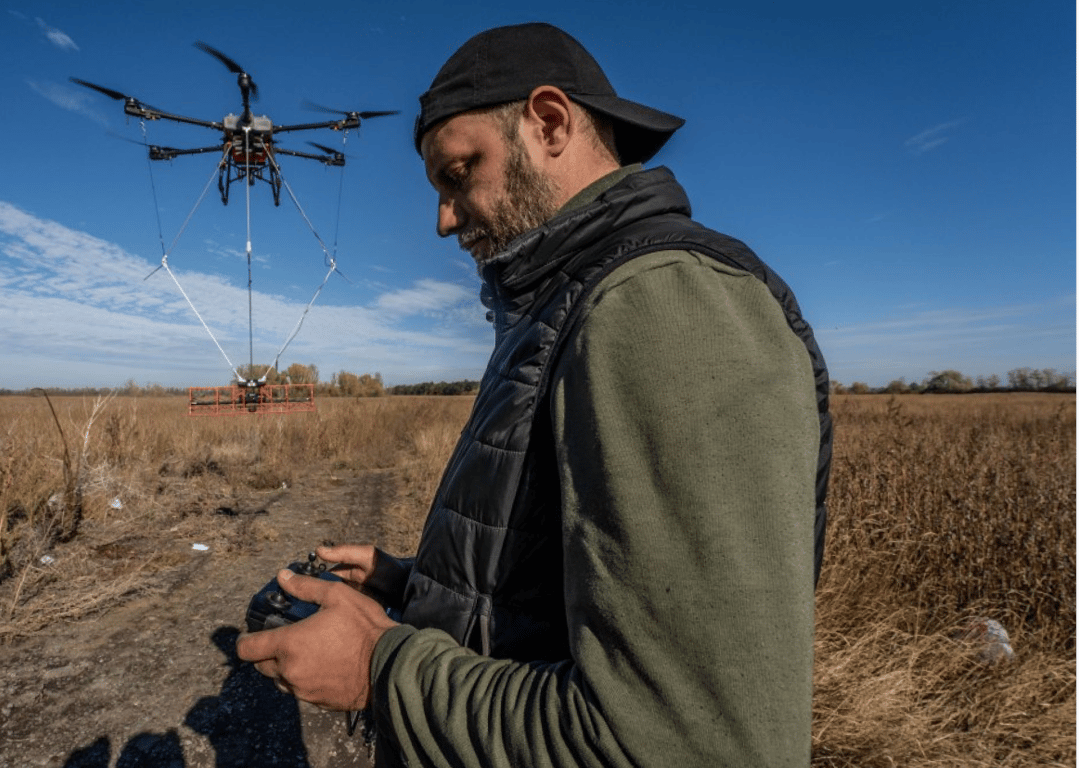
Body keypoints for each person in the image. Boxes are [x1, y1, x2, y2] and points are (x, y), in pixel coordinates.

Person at [237, 22, 832, 768]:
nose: (443, 220)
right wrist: (412, 585)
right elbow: (572, 601)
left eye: (458, 174)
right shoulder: (563, 305)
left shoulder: (662, 305)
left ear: (549, 124)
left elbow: (695, 743)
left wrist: (380, 669)